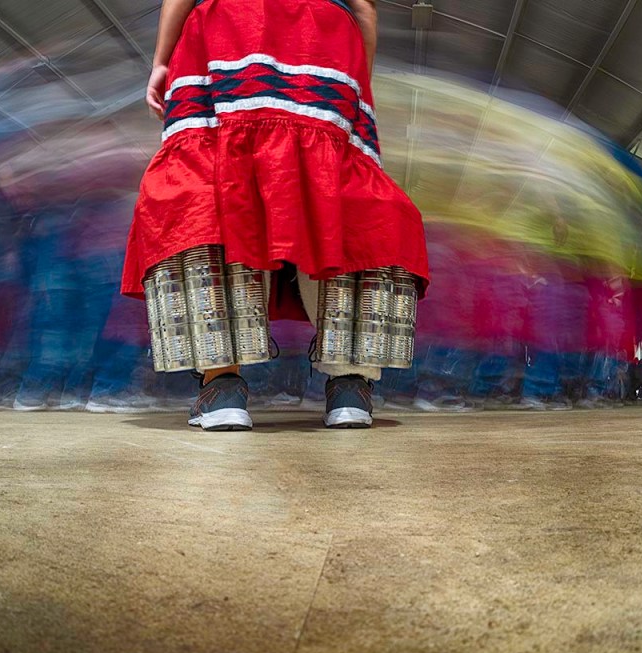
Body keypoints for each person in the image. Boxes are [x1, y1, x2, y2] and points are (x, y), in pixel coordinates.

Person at [121, 0, 428, 430]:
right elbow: (364, 8)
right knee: (344, 195)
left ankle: (221, 387)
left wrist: (160, 61)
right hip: (325, 35)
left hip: (228, 25)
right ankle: (349, 388)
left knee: (213, 190)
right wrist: (356, 76)